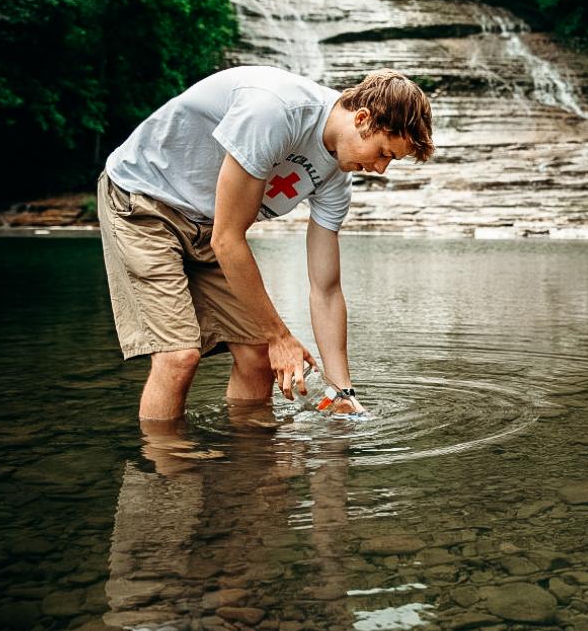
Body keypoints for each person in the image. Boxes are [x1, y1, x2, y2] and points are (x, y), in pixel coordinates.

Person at [99, 66, 434, 420]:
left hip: (209, 224)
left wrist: (341, 392)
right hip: (143, 202)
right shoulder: (275, 111)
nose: (381, 169)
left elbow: (327, 289)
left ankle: (251, 466)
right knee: (179, 358)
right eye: (385, 153)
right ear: (363, 119)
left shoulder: (338, 175)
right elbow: (228, 240)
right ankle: (166, 471)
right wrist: (280, 336)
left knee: (258, 354)